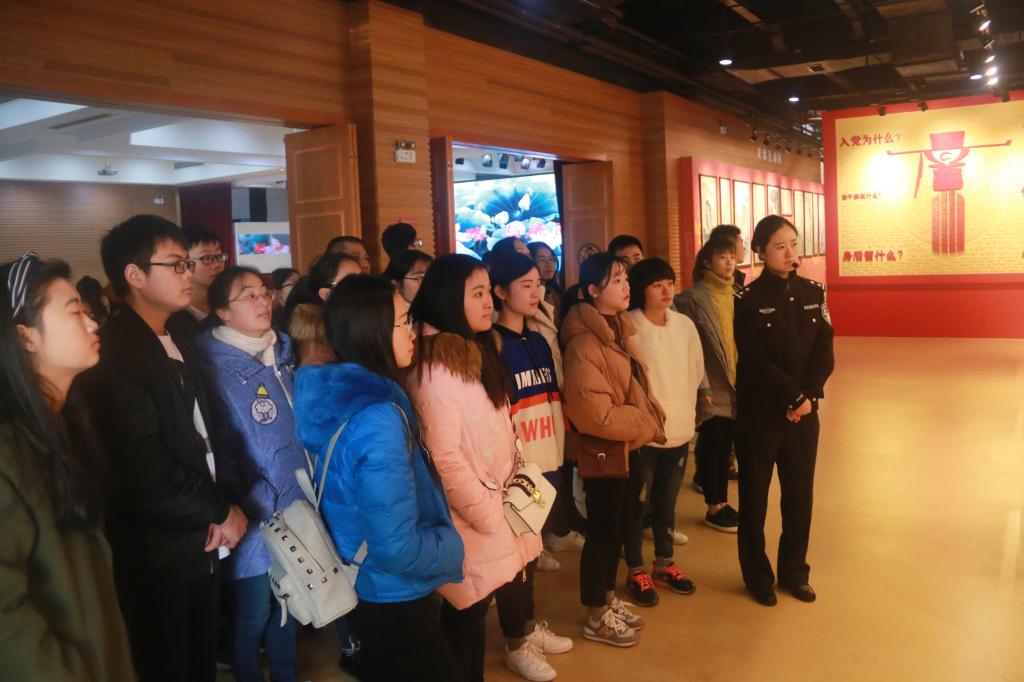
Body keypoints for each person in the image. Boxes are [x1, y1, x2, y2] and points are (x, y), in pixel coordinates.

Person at [76, 215, 247, 682]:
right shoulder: (115, 353)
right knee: (167, 662)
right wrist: (218, 510)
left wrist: (219, 508)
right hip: (157, 551)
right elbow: (142, 470)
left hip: (200, 535)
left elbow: (205, 434)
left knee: (199, 659)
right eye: (175, 264)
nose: (188, 273)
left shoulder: (180, 337)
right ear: (134, 275)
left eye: (188, 263)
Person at [294, 275, 465, 681]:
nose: (414, 332)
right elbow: (396, 547)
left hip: (366, 584)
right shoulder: (378, 418)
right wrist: (452, 547)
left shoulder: (342, 396)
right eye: (404, 322)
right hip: (392, 592)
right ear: (371, 331)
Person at [406, 254, 547, 682]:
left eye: (488, 292)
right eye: (478, 293)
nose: (489, 303)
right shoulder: (436, 368)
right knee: (463, 618)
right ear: (449, 298)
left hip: (495, 506)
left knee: (472, 615)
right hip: (472, 517)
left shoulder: (474, 351)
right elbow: (444, 458)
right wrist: (489, 515)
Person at [0, 253, 135, 680]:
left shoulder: (64, 424)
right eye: (75, 312)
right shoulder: (10, 452)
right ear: (25, 337)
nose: (93, 325)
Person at [194, 267, 307, 682]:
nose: (263, 302)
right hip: (251, 509)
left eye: (265, 292)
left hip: (295, 503)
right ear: (222, 311)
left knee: (289, 602)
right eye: (249, 296)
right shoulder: (212, 367)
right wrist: (253, 493)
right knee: (253, 612)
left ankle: (286, 675)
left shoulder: (283, 353)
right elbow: (218, 446)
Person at [560, 252, 664, 648]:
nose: (626, 286)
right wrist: (646, 422)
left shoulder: (616, 330)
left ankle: (605, 598)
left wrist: (642, 419)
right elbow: (596, 416)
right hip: (605, 450)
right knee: (603, 532)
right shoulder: (584, 343)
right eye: (616, 280)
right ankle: (594, 613)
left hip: (626, 445)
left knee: (619, 527)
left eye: (625, 278)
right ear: (592, 290)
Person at [734, 215, 835, 607]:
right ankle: (757, 576)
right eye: (780, 246)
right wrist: (793, 397)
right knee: (754, 499)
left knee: (799, 497)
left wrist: (807, 397)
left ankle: (795, 572)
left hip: (804, 417)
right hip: (761, 416)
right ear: (760, 251)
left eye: (793, 243)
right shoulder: (747, 299)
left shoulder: (813, 292)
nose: (789, 252)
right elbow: (754, 360)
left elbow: (824, 350)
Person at [489, 253, 576, 594]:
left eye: (538, 284)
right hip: (518, 465)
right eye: (525, 285)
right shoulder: (493, 345)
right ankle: (519, 621)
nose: (535, 292)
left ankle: (526, 614)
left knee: (532, 537)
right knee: (516, 546)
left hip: (547, 457)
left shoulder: (538, 340)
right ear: (500, 292)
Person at [621, 257, 703, 607]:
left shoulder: (684, 325)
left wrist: (685, 408)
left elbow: (696, 370)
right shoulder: (629, 325)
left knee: (667, 501)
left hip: (680, 425)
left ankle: (664, 563)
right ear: (641, 290)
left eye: (669, 282)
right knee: (637, 502)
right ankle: (635, 568)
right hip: (644, 431)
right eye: (657, 285)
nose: (667, 290)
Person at [676, 236, 741, 533]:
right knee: (713, 443)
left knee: (726, 443)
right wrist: (701, 386)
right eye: (722, 257)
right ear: (707, 262)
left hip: (735, 381)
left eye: (732, 257)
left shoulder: (736, 293)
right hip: (710, 382)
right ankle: (714, 506)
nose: (729, 263)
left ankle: (722, 503)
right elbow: (692, 346)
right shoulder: (692, 298)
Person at [285, 252, 361, 366]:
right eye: (351, 282)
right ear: (326, 294)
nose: (363, 286)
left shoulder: (368, 318)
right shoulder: (314, 339)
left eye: (363, 277)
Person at [182, 224, 228, 322]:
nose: (217, 264)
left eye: (219, 255)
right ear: (185, 263)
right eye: (206, 258)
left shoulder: (226, 302)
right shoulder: (176, 315)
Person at [527, 241, 563, 322]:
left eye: (551, 259)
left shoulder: (556, 294)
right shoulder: (529, 297)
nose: (549, 264)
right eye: (542, 260)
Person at [708, 224, 748, 290]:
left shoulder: (736, 277)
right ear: (730, 246)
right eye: (741, 243)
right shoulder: (709, 286)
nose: (744, 248)